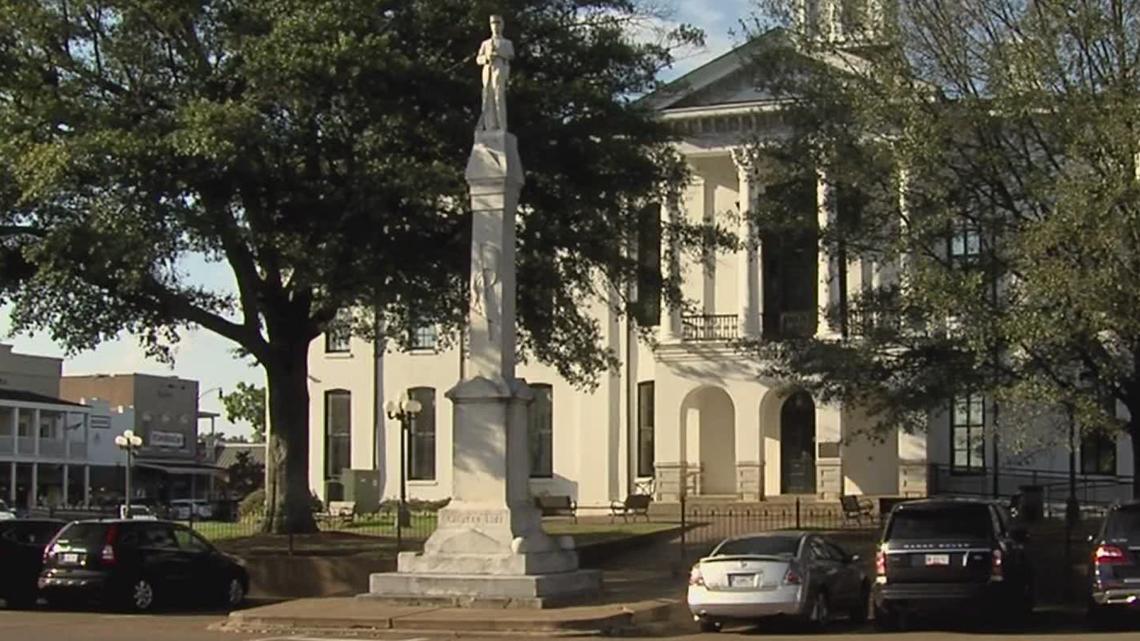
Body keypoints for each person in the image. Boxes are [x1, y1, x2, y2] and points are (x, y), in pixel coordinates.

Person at [476, 15, 514, 131]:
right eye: (493, 23)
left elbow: (510, 55)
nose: (495, 26)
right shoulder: (485, 43)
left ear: (502, 25)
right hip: (488, 69)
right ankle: (489, 125)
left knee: (499, 96)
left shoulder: (506, 43)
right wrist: (487, 58)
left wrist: (498, 55)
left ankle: (501, 125)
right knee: (487, 96)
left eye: (498, 23)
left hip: (499, 67)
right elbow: (478, 59)